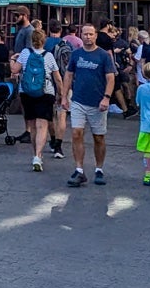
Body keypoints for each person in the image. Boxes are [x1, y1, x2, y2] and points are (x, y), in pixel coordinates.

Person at [61, 24, 116, 187]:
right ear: (81, 35)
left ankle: (99, 169)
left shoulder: (103, 56)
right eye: (85, 34)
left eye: (91, 34)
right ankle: (79, 170)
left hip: (97, 102)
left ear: (96, 36)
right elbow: (69, 75)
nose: (88, 37)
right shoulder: (76, 54)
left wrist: (106, 98)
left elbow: (111, 78)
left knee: (98, 137)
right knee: (77, 133)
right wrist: (64, 96)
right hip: (78, 100)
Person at [14, 30, 64, 172]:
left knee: (33, 126)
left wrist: (13, 59)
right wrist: (61, 94)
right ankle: (38, 156)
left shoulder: (24, 53)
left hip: (27, 92)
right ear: (44, 41)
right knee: (43, 125)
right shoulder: (48, 56)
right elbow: (58, 78)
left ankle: (36, 154)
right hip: (45, 92)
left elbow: (15, 69)